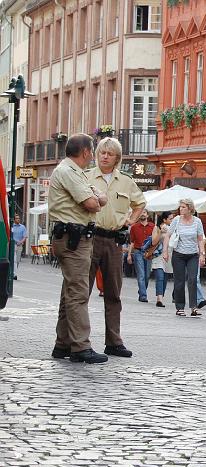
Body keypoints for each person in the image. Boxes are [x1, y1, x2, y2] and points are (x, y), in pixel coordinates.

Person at [48, 133, 108, 364]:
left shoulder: (74, 172)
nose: (92, 155)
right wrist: (96, 199)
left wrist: (98, 198)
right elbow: (93, 202)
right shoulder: (68, 172)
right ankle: (81, 347)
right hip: (73, 239)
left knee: (69, 292)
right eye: (92, 151)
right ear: (85, 152)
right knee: (78, 293)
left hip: (74, 238)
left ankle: (62, 343)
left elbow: (99, 197)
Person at [88, 137, 146, 358]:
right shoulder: (87, 177)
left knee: (113, 293)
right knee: (82, 292)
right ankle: (77, 340)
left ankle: (114, 341)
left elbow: (140, 203)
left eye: (109, 153)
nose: (104, 156)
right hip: (91, 238)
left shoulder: (126, 181)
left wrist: (130, 221)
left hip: (114, 240)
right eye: (102, 152)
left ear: (117, 158)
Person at [162, 198, 205, 317]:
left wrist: (202, 254)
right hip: (178, 254)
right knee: (179, 281)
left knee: (192, 280)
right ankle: (180, 307)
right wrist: (165, 251)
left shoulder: (197, 221)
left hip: (193, 255)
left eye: (183, 207)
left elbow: (200, 239)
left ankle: (193, 307)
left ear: (190, 208)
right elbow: (167, 236)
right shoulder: (176, 220)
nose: (180, 209)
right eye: (180, 207)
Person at [127, 209, 155, 302]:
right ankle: (143, 295)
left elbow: (155, 241)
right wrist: (129, 255)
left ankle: (142, 291)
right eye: (141, 213)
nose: (142, 214)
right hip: (138, 252)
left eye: (144, 213)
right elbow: (132, 242)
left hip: (149, 252)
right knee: (141, 274)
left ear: (147, 215)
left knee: (147, 275)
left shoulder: (153, 226)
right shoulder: (134, 227)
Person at [150, 211, 174, 307]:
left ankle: (162, 296)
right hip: (158, 255)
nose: (172, 220)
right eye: (170, 218)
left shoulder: (173, 228)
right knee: (159, 275)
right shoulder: (157, 228)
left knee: (164, 277)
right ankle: (159, 298)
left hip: (169, 255)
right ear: (164, 219)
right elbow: (153, 242)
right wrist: (160, 232)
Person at [11, 214, 27, 280]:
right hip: (13, 245)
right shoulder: (12, 227)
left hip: (19, 245)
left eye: (19, 218)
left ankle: (14, 271)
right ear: (14, 220)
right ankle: (14, 274)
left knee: (17, 260)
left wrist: (20, 242)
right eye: (17, 218)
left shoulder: (22, 227)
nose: (18, 219)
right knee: (13, 260)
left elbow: (25, 236)